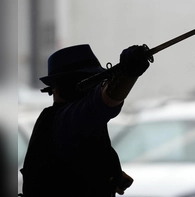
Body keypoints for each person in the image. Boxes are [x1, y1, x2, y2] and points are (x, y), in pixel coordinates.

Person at [20, 44, 151, 197]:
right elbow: (103, 103)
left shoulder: (55, 121)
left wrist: (110, 173)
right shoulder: (69, 120)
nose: (97, 87)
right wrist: (128, 73)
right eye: (93, 82)